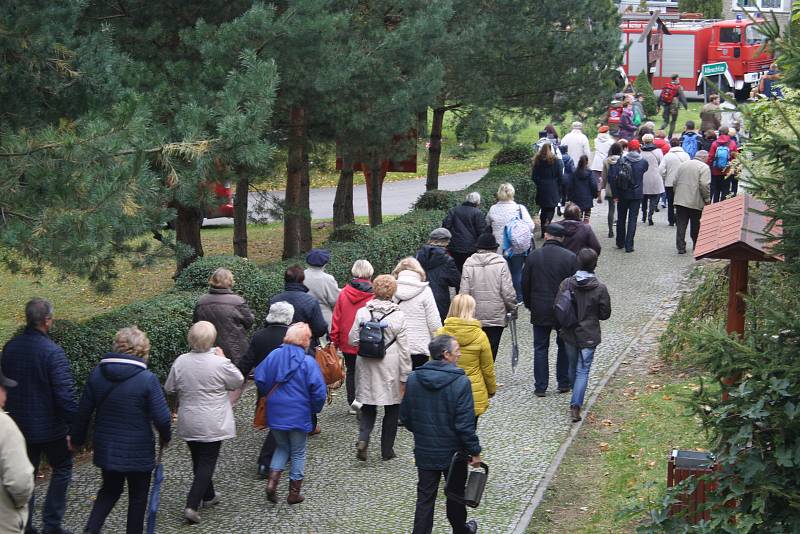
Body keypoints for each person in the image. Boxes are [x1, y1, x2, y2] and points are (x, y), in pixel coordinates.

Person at [72, 327, 171, 534]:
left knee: (109, 491)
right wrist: (165, 436)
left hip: (107, 447)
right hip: (138, 450)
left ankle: (91, 529)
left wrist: (77, 439)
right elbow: (162, 417)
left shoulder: (97, 374)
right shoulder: (147, 379)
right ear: (142, 352)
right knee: (137, 498)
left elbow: (84, 412)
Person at [1, 298, 77, 534]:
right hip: (50, 429)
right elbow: (65, 396)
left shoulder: (11, 347)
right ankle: (52, 524)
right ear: (47, 321)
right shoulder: (53, 353)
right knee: (63, 466)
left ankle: (27, 525)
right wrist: (74, 428)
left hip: (19, 428)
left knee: (27, 474)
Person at [165, 321, 245, 524]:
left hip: (189, 418)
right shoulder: (219, 363)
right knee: (207, 461)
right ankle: (192, 504)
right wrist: (225, 359)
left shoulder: (181, 361)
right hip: (213, 419)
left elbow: (169, 387)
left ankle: (208, 495)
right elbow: (238, 380)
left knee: (198, 459)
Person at [401, 335, 482, 534]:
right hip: (454, 452)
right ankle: (460, 530)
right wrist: (474, 451)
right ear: (446, 354)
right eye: (457, 351)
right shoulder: (461, 382)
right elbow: (465, 424)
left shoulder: (413, 379)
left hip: (425, 449)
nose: (460, 354)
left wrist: (423, 434)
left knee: (425, 497)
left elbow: (406, 416)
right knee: (455, 495)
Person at [254, 323, 327, 505]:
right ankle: (294, 494)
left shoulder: (273, 356)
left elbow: (260, 378)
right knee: (298, 451)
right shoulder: (308, 362)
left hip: (275, 410)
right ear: (305, 340)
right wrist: (314, 409)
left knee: (282, 447)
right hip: (299, 412)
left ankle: (272, 483)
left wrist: (268, 394)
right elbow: (319, 392)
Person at [348, 275, 411, 462]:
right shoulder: (398, 315)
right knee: (392, 408)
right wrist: (405, 374)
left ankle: (363, 439)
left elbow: (352, 339)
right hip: (390, 365)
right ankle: (387, 450)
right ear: (393, 291)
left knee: (368, 405)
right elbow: (404, 349)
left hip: (366, 363)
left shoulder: (362, 312)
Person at [237, 301, 295, 479]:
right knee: (281, 424)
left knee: (277, 423)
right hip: (287, 387)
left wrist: (237, 377)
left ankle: (279, 456)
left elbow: (247, 361)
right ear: (289, 318)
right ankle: (266, 461)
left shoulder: (259, 336)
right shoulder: (292, 336)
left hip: (265, 387)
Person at [522, 223, 577, 397]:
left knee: (540, 347)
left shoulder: (533, 256)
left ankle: (540, 386)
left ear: (546, 236)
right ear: (562, 238)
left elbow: (525, 284)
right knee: (564, 345)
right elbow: (574, 287)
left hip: (539, 307)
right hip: (564, 309)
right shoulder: (570, 257)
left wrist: (529, 304)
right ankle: (563, 382)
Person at [558, 249, 611, 423]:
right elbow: (605, 314)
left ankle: (576, 394)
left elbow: (558, 306)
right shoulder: (600, 288)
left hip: (570, 333)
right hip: (589, 334)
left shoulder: (566, 283)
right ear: (595, 264)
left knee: (572, 366)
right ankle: (576, 404)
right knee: (583, 369)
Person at [436, 295, 496, 420]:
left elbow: (433, 364)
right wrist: (491, 389)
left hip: (446, 390)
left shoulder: (440, 333)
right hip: (472, 392)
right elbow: (487, 368)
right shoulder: (480, 336)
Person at [460, 232, 517, 361]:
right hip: (496, 314)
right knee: (492, 347)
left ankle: (477, 376)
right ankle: (488, 377)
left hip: (474, 314)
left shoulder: (468, 263)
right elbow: (507, 291)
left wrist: (463, 314)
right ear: (494, 248)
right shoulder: (501, 263)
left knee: (475, 347)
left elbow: (463, 292)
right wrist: (513, 309)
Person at [330, 260, 375, 411]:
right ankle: (366, 400)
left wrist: (334, 341)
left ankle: (353, 401)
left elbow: (337, 317)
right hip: (368, 339)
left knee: (352, 370)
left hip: (347, 340)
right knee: (368, 370)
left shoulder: (344, 293)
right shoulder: (373, 294)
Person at [193, 267, 255, 366]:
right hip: (235, 350)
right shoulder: (237, 301)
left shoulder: (201, 301)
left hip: (208, 349)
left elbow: (196, 324)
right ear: (230, 281)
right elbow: (249, 322)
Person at [486, 183, 534, 302]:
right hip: (517, 246)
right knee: (516, 272)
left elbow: (487, 223)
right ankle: (518, 297)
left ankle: (502, 297)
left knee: (502, 273)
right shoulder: (519, 208)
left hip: (499, 248)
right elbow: (531, 226)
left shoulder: (493, 208)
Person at [0, 368, 34, 534]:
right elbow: (20, 482)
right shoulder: (4, 426)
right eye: (3, 387)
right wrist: (19, 505)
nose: (6, 393)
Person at [392, 257, 442, 370]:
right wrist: (439, 341)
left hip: (396, 346)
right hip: (420, 346)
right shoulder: (425, 291)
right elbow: (434, 322)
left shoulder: (391, 289)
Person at [269, 265, 328, 345]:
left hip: (278, 344)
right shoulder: (311, 301)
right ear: (302, 280)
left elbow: (269, 325)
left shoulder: (274, 300)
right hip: (305, 345)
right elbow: (320, 329)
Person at [416, 228, 462, 321]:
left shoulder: (418, 255)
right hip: (439, 299)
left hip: (419, 296)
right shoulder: (447, 259)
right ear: (445, 242)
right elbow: (456, 281)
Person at [611, 139, 647, 253]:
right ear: (638, 149)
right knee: (632, 219)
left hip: (622, 193)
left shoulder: (621, 160)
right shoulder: (643, 162)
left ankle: (619, 242)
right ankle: (629, 245)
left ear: (628, 148)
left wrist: (615, 194)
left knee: (621, 218)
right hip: (636, 195)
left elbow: (613, 178)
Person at [673, 150, 712, 254]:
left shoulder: (683, 165)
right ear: (704, 157)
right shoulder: (704, 167)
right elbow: (704, 185)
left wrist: (676, 194)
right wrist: (707, 199)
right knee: (695, 224)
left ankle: (680, 246)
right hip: (696, 200)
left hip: (680, 199)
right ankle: (696, 244)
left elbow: (675, 182)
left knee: (681, 223)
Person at [442, 192, 486, 273]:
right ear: (477, 202)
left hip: (454, 246)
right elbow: (481, 231)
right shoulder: (477, 213)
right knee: (469, 270)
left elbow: (446, 225)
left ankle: (459, 285)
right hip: (471, 248)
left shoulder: (454, 210)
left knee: (457, 269)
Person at [303, 249, 340, 331]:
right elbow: (335, 300)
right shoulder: (328, 278)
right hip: (323, 317)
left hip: (303, 317)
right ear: (325, 264)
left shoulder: (301, 275)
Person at [659, 137, 691, 227]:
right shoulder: (686, 155)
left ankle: (671, 220)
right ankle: (679, 219)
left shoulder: (667, 156)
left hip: (670, 182)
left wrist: (665, 177)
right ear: (679, 144)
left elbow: (661, 170)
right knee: (681, 202)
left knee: (670, 202)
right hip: (683, 182)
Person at [531, 143, 562, 237]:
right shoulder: (555, 161)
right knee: (551, 208)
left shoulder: (537, 161)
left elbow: (534, 176)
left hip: (541, 188)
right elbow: (560, 175)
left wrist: (539, 183)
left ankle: (543, 228)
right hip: (553, 187)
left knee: (543, 209)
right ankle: (548, 222)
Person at [707, 126, 739, 203]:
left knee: (716, 191)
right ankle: (723, 208)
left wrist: (709, 167)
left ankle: (715, 207)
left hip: (715, 171)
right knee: (725, 190)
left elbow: (710, 157)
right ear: (728, 133)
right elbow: (735, 158)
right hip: (727, 171)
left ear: (719, 133)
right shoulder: (732, 143)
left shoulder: (715, 143)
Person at [600, 142, 625, 239]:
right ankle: (620, 228)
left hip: (610, 188)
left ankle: (610, 230)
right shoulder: (623, 159)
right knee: (621, 209)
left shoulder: (606, 161)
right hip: (622, 187)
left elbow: (604, 176)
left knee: (611, 209)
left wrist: (602, 187)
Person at [564, 155, 598, 223]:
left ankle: (578, 228)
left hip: (576, 198)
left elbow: (570, 185)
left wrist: (569, 197)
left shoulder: (574, 173)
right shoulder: (590, 173)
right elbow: (593, 185)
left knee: (577, 216)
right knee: (586, 216)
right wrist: (594, 195)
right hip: (587, 198)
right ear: (587, 162)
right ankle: (585, 228)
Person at [640, 133, 664, 226]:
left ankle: (644, 215)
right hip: (655, 176)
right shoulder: (658, 151)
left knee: (644, 198)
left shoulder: (640, 151)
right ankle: (650, 215)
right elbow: (661, 163)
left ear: (644, 141)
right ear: (652, 140)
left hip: (643, 177)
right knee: (654, 197)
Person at [659, 74, 688, 138]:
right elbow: (682, 97)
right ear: (677, 79)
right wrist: (685, 106)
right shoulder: (678, 87)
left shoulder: (667, 85)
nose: (679, 80)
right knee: (673, 121)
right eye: (678, 79)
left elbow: (661, 95)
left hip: (666, 105)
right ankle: (670, 136)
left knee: (665, 121)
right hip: (674, 107)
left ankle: (659, 132)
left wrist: (658, 104)